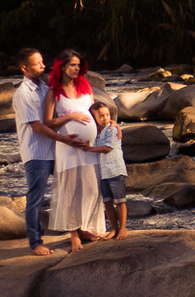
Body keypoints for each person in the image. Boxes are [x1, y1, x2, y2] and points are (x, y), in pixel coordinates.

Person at [12, 48, 88, 255]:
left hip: (56, 150)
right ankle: (35, 243)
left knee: (71, 188)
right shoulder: (23, 94)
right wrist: (64, 139)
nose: (43, 66)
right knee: (36, 198)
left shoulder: (45, 88)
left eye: (42, 62)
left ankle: (79, 230)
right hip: (36, 153)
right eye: (37, 63)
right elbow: (36, 125)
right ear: (24, 68)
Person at [42, 49, 107, 252]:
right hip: (67, 148)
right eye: (72, 65)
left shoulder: (86, 87)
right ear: (61, 67)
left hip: (89, 148)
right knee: (71, 189)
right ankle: (74, 234)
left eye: (78, 65)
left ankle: (86, 228)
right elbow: (48, 122)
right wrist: (71, 116)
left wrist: (111, 124)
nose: (76, 68)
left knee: (91, 188)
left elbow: (96, 112)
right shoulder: (54, 92)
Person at [87, 101, 128, 240]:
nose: (105, 118)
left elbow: (107, 148)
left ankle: (123, 228)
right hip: (103, 173)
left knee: (120, 200)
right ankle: (114, 229)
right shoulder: (95, 132)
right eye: (101, 116)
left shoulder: (112, 129)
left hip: (115, 170)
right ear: (94, 118)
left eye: (107, 115)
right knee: (107, 202)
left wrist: (89, 149)